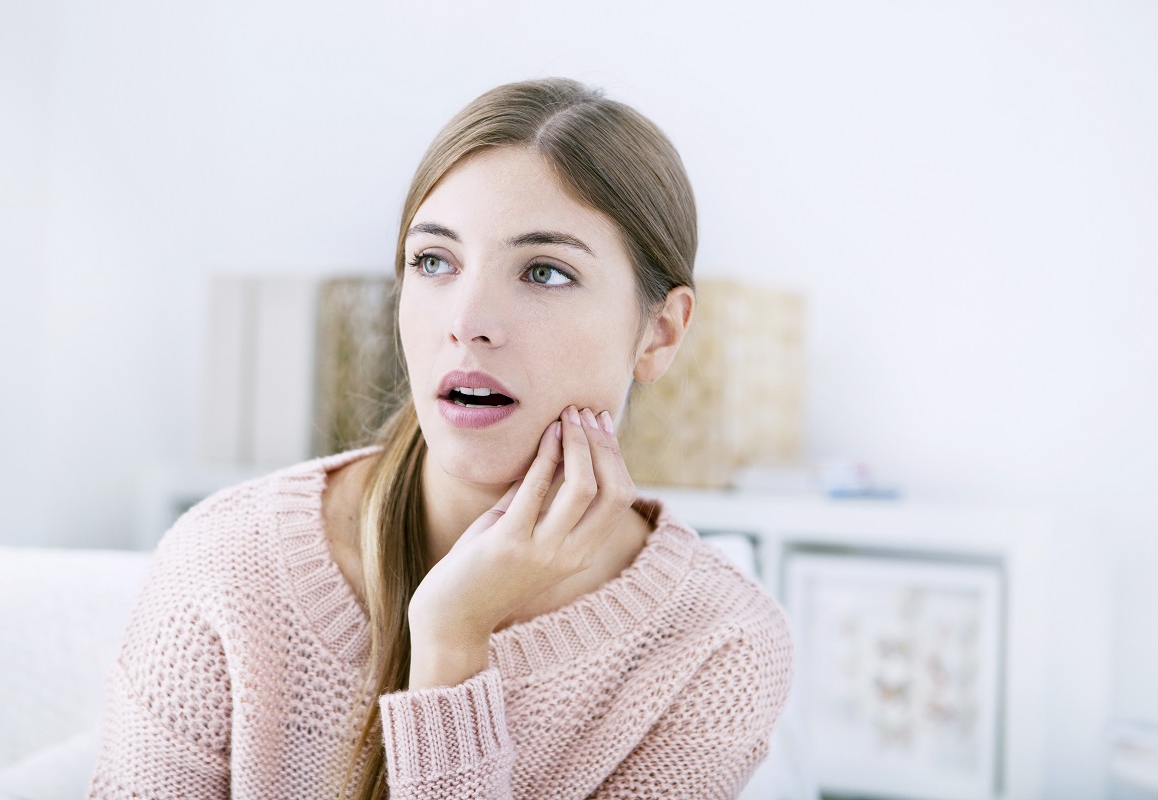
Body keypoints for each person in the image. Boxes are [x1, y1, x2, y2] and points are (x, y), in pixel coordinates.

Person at [88, 76, 794, 800]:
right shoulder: (226, 562)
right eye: (434, 262)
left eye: (545, 272)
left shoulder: (715, 646)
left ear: (661, 332)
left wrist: (453, 640)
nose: (468, 320)